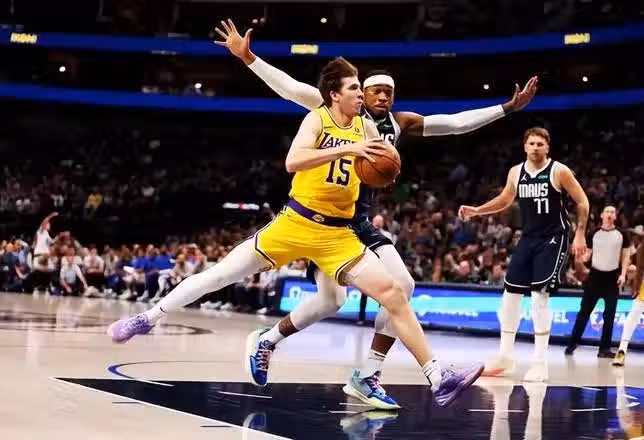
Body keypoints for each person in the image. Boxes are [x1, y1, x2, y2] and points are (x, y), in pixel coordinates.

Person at [108, 57, 483, 407]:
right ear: (335, 94)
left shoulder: (369, 127)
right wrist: (347, 149)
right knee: (220, 275)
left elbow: (393, 157)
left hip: (338, 233)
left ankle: (438, 377)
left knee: (394, 293)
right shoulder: (317, 119)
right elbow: (293, 160)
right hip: (295, 222)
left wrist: (384, 168)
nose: (361, 95)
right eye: (355, 88)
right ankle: (147, 318)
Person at [214, 18, 535, 409]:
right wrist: (250, 59)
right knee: (331, 301)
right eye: (376, 90)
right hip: (324, 217)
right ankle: (271, 341)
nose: (383, 97)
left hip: (358, 222)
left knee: (400, 287)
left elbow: (453, 124)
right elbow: (290, 87)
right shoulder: (334, 111)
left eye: (389, 92)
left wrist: (506, 108)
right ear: (360, 93)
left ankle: (366, 374)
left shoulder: (399, 124)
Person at [459, 127, 589, 382]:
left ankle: (540, 363)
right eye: (531, 143)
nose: (535, 147)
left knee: (539, 297)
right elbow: (505, 199)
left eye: (540, 143)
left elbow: (582, 201)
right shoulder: (516, 172)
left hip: (554, 237)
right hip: (528, 237)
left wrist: (581, 234)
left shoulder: (559, 171)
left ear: (547, 147)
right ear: (525, 146)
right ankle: (505, 358)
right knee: (509, 297)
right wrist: (477, 210)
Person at [565, 205, 630, 357]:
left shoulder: (622, 234)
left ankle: (604, 349)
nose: (610, 214)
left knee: (610, 315)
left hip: (612, 278)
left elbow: (626, 256)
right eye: (607, 211)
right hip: (595, 276)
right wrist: (582, 259)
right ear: (602, 215)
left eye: (613, 212)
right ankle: (572, 344)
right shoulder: (593, 233)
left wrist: (623, 274)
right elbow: (586, 255)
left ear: (615, 216)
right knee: (584, 312)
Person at [612, 226, 644, 366]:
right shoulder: (641, 249)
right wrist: (636, 286)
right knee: (633, 316)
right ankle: (622, 350)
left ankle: (622, 351)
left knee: (633, 316)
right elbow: (640, 269)